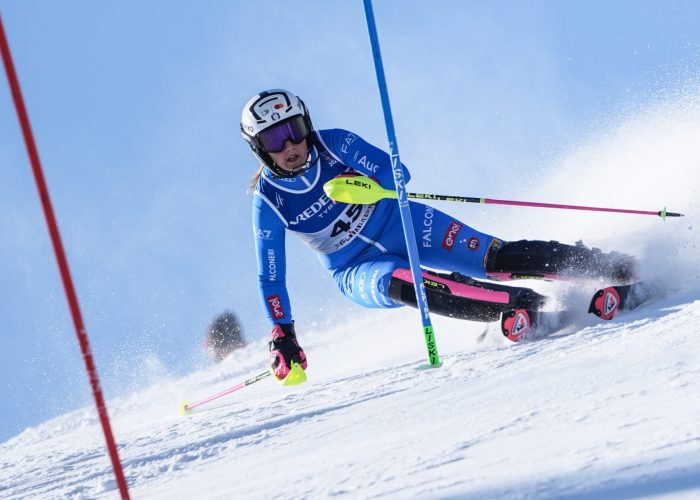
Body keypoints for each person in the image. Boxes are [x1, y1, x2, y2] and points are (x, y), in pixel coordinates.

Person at [240, 89, 637, 383]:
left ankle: (607, 266)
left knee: (493, 259)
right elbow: (271, 278)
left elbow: (397, 172)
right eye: (275, 140)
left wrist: (369, 183)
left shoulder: (335, 144)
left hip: (403, 222)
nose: (290, 145)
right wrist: (283, 334)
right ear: (259, 149)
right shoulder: (270, 201)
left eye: (294, 130)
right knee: (408, 283)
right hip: (356, 267)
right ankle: (523, 306)